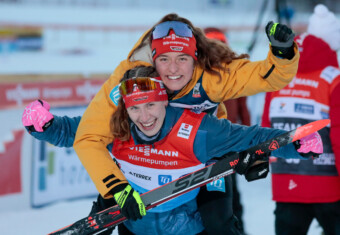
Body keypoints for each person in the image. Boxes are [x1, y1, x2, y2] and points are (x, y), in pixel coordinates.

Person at [23, 66, 322, 235]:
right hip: (135, 223)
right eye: (136, 108)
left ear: (165, 100)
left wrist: (295, 143)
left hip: (187, 226)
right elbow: (72, 131)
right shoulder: (116, 126)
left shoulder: (197, 130)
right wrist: (44, 125)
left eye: (151, 104)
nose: (145, 117)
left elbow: (252, 137)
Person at [72, 13, 300, 235]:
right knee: (129, 212)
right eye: (164, 59)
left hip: (204, 156)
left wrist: (282, 52)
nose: (173, 69)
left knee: (219, 224)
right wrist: (117, 188)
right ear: (153, 59)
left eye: (182, 58)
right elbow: (89, 135)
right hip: (145, 159)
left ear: (195, 57)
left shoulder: (211, 75)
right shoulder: (132, 78)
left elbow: (266, 76)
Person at [261, 4, 340, 235]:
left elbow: (265, 128)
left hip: (286, 184)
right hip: (329, 188)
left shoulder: (279, 77)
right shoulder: (333, 80)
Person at [203, 26, 250, 235]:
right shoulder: (232, 73)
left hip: (213, 147)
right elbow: (244, 112)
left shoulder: (199, 73)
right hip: (222, 146)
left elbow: (243, 110)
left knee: (222, 197)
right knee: (229, 197)